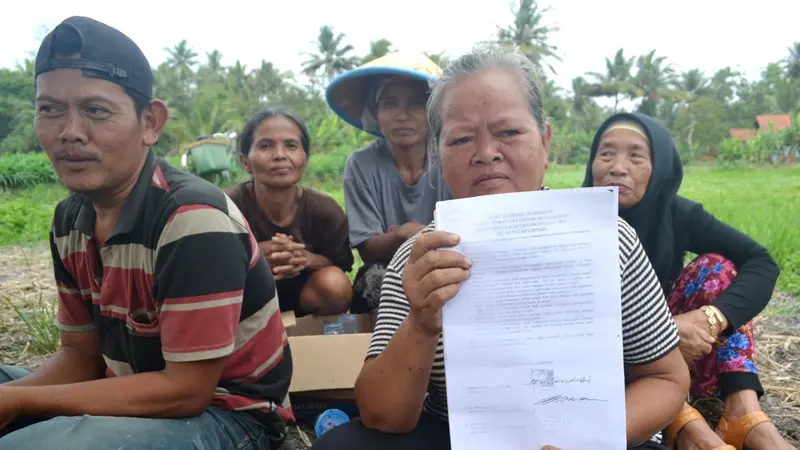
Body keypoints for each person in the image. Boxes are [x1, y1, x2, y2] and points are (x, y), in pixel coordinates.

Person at [311, 47, 690, 450]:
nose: (486, 153)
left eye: (508, 132)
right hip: (458, 435)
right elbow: (383, 415)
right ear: (439, 154)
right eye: (461, 138)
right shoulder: (421, 257)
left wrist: (588, 440)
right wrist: (421, 323)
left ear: (544, 142)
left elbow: (666, 378)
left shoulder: (606, 238)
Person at [0, 16, 292, 450]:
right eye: (50, 110)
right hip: (129, 387)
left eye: (96, 111)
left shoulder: (192, 218)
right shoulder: (69, 220)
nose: (70, 132)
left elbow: (186, 391)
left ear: (150, 122)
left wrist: (21, 405)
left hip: (229, 415)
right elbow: (81, 357)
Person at [583, 113, 795, 450]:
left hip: (682, 353)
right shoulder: (569, 217)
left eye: (636, 156)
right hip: (607, 359)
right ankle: (682, 423)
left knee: (717, 268)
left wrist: (710, 319)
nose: (618, 167)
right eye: (606, 153)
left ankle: (742, 412)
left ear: (661, 168)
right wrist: (660, 334)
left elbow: (761, 262)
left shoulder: (678, 214)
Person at [326, 52, 452, 312]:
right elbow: (369, 250)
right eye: (390, 104)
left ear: (432, 112)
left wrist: (398, 234)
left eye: (416, 104)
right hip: (388, 267)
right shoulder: (361, 164)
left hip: (447, 261)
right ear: (376, 112)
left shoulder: (451, 157)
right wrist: (407, 233)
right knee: (375, 281)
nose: (402, 115)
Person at [226, 108, 354, 316]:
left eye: (291, 145)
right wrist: (253, 257)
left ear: (306, 158)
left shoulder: (325, 211)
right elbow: (204, 269)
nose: (279, 155)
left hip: (303, 303)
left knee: (335, 284)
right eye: (266, 146)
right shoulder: (225, 207)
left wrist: (305, 259)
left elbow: (341, 264)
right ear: (245, 161)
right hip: (242, 306)